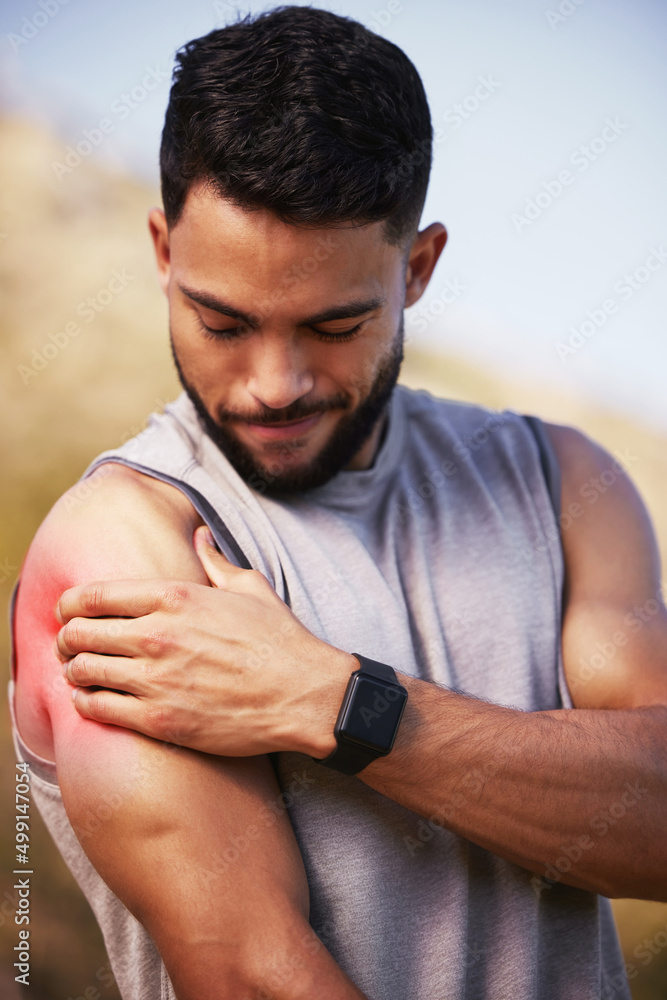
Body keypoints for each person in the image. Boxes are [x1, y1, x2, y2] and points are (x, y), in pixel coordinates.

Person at [11, 6, 667, 1000]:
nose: (273, 382)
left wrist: (333, 701)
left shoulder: (564, 484)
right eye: (222, 320)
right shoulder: (126, 544)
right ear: (161, 251)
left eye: (333, 323)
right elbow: (246, 973)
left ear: (417, 267)